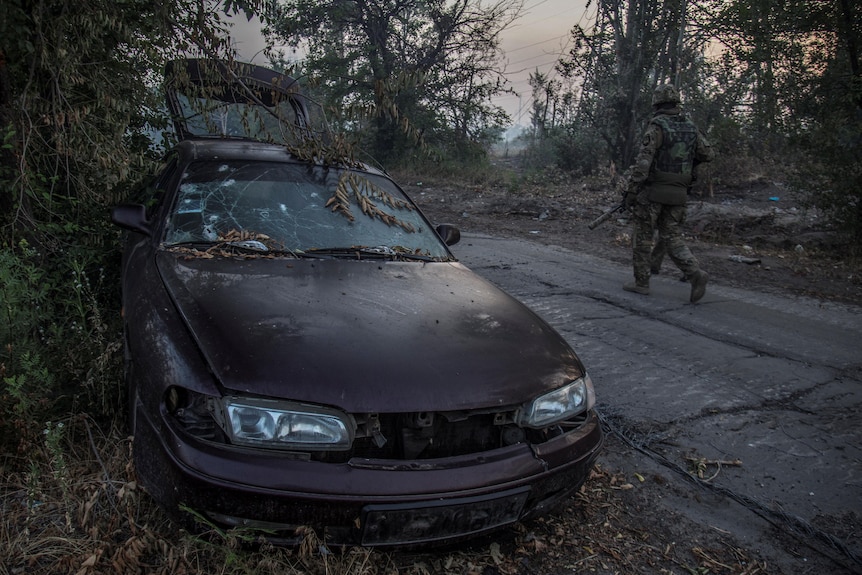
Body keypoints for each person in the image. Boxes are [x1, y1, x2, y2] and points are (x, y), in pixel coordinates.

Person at [622, 83, 714, 302]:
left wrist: (632, 191)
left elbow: (644, 163)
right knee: (671, 237)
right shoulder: (690, 127)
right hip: (679, 194)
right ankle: (695, 273)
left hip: (654, 192)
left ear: (657, 104)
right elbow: (708, 153)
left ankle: (641, 282)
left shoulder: (657, 127)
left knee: (643, 237)